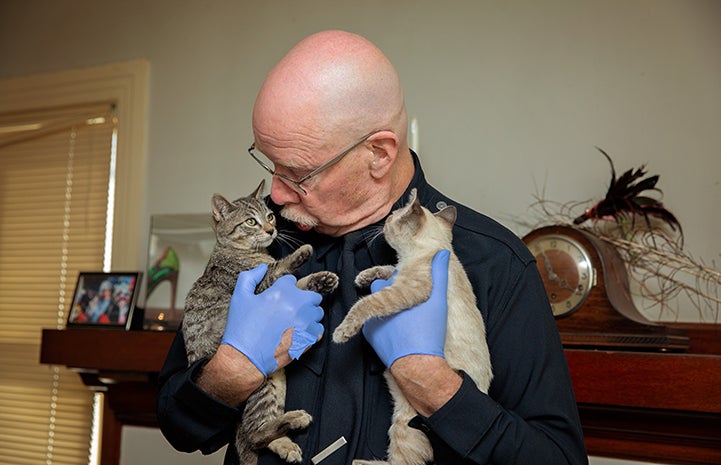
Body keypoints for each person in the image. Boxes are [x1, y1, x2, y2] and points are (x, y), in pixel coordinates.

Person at [157, 30, 587, 465]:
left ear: (378, 154)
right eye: (269, 164)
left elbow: (557, 457)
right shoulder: (257, 246)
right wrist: (231, 371)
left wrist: (435, 385)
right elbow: (178, 426)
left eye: (298, 173)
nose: (277, 195)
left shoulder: (494, 262)